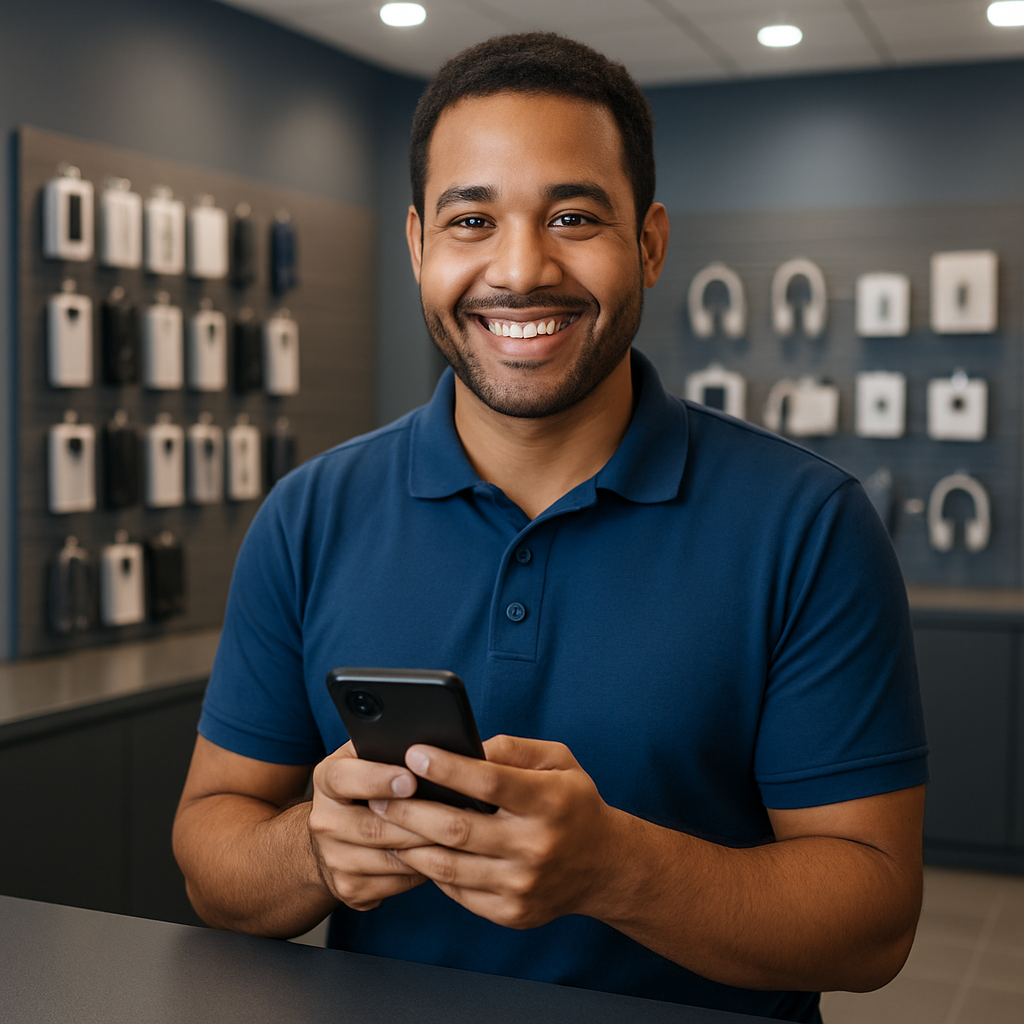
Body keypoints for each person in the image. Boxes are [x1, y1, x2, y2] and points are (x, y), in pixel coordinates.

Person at [173, 32, 928, 1023]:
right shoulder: (309, 516)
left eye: (572, 215)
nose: (519, 269)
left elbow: (872, 921)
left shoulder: (807, 525)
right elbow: (210, 849)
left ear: (649, 243)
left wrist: (615, 869)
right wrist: (315, 844)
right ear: (417, 245)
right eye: (472, 219)